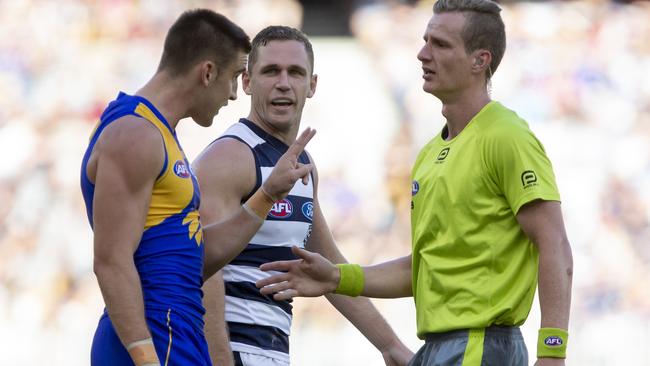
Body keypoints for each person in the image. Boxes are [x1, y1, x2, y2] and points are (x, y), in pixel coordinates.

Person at [256, 1, 574, 366]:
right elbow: (422, 269)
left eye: (440, 45)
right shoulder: (429, 154)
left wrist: (552, 351)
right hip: (439, 347)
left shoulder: (506, 135)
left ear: (479, 60)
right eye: (425, 41)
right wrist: (337, 278)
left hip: (480, 345)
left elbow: (555, 243)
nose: (423, 54)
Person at [81, 10, 315, 366]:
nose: (235, 94)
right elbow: (111, 261)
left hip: (177, 337)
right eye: (236, 77)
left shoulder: (158, 134)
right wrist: (146, 357)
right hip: (155, 340)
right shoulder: (135, 133)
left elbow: (190, 257)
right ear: (208, 73)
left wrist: (267, 195)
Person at [193, 26, 414, 366]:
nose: (283, 82)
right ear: (247, 82)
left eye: (295, 72)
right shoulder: (231, 157)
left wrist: (390, 346)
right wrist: (220, 359)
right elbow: (203, 268)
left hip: (273, 353)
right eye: (271, 71)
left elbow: (329, 268)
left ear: (312, 85)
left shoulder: (302, 166)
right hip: (233, 352)